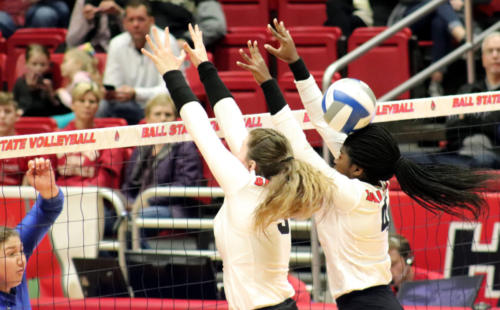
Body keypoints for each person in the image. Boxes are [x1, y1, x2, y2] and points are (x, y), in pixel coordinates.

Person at [236, 19, 491, 310]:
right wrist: (295, 62)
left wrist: (268, 83)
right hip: (375, 300)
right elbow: (323, 118)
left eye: (340, 153)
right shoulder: (371, 180)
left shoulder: (349, 192)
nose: (335, 155)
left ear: (357, 168)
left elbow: (299, 145)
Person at [142, 24, 334, 309]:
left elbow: (201, 130)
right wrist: (205, 65)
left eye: (243, 145)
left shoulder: (244, 188)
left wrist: (171, 73)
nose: (237, 143)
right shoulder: (272, 184)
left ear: (253, 164)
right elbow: (232, 119)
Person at [97, 0, 182, 125]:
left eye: (140, 19)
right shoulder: (116, 44)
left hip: (160, 106)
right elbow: (113, 83)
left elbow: (171, 90)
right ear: (124, 23)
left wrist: (136, 93)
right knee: (102, 105)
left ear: (151, 21)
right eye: (131, 20)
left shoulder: (166, 42)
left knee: (158, 112)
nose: (136, 24)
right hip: (129, 106)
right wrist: (111, 93)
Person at [122, 93, 204, 220]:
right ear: (148, 118)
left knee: (134, 219)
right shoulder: (141, 147)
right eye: (157, 114)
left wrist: (149, 201)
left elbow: (185, 185)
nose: (162, 119)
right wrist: (129, 202)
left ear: (175, 119)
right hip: (138, 205)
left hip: (172, 207)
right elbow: (128, 184)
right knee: (109, 216)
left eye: (168, 114)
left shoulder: (185, 146)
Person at [0, 157, 64, 309]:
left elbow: (47, 210)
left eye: (21, 252)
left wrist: (49, 190)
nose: (21, 260)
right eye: (10, 254)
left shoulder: (14, 243)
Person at [443, 31, 500, 168]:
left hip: (493, 155)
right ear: (483, 58)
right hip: (460, 155)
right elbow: (450, 128)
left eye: (499, 50)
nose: (495, 55)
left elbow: (497, 130)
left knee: (483, 161)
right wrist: (486, 119)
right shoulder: (467, 90)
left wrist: (467, 116)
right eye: (490, 51)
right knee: (412, 158)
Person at [388, 0, 466, 96]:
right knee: (439, 2)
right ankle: (462, 35)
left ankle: (436, 80)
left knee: (439, 22)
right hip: (407, 16)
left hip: (435, 18)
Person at [13, 44, 71, 117]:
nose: (38, 68)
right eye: (34, 64)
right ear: (26, 64)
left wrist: (51, 95)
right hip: (25, 119)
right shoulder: (20, 82)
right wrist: (31, 90)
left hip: (47, 118)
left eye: (43, 65)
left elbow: (60, 110)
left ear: (48, 65)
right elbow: (15, 104)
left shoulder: (51, 81)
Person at [53, 45, 103, 127]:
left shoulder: (80, 77)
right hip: (78, 114)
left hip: (81, 114)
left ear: (78, 64)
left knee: (53, 122)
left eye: (65, 61)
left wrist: (62, 93)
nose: (61, 65)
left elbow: (78, 103)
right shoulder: (75, 79)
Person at [149, 0, 226, 50]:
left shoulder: (203, 2)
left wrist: (187, 40)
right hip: (147, 46)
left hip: (184, 47)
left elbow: (215, 25)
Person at [0, 92, 30, 186]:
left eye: (7, 111)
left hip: (15, 198)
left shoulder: (26, 147)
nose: (2, 116)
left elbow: (26, 190)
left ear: (17, 116)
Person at [0, 0, 70, 38]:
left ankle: (42, 51)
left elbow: (62, 10)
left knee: (45, 14)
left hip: (31, 16)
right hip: (6, 19)